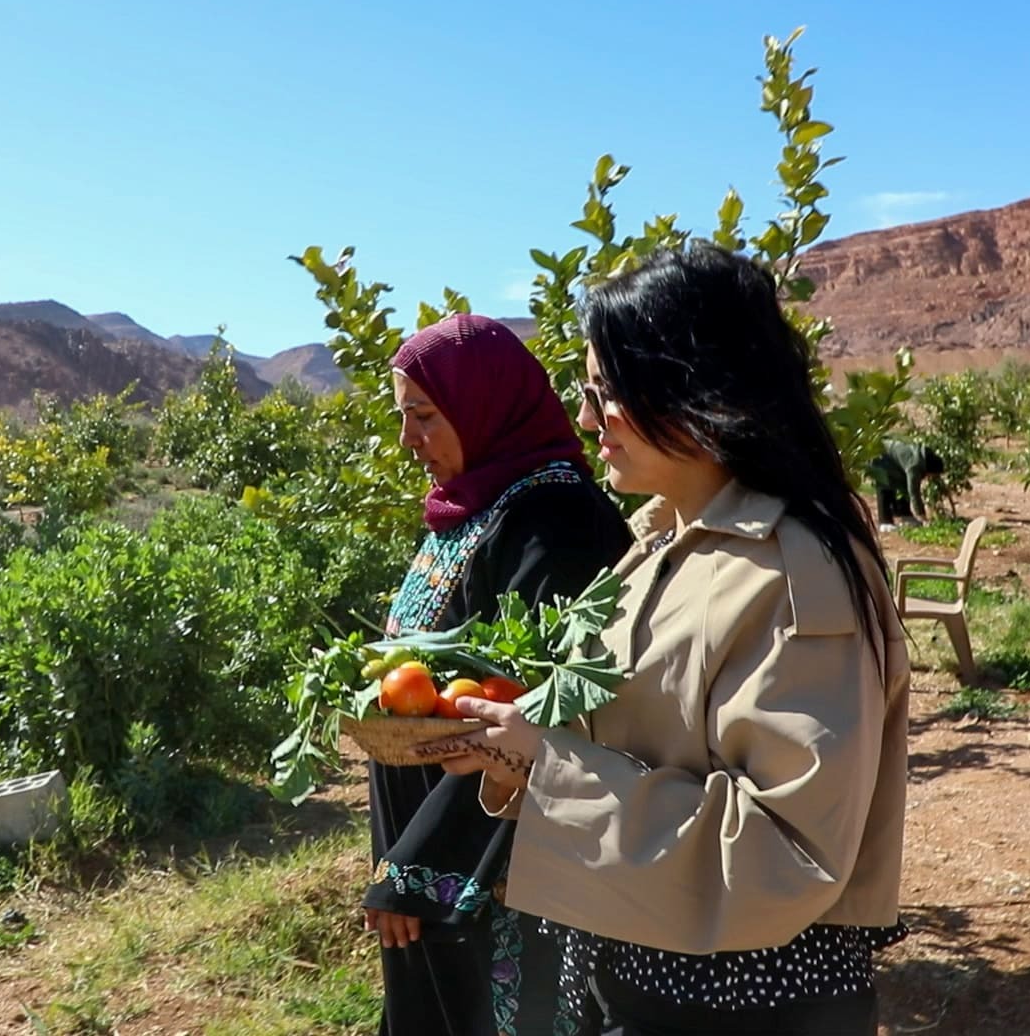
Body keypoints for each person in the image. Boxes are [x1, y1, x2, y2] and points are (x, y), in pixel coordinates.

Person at [423, 245, 911, 1035]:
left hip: (739, 1003)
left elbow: (786, 847)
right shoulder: (660, 543)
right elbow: (643, 741)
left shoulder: (791, 573)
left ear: (693, 387)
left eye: (606, 393)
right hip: (644, 969)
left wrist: (545, 766)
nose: (588, 420)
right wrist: (513, 744)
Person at [365, 313, 631, 1036]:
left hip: (489, 854)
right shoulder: (473, 506)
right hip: (422, 831)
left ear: (483, 404)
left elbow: (534, 714)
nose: (407, 438)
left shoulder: (554, 521)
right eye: (403, 416)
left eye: (424, 415)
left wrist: (416, 868)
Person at [867, 437, 945, 528]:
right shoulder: (914, 466)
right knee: (885, 487)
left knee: (902, 484)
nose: (930, 477)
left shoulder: (922, 457)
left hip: (893, 459)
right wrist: (922, 517)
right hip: (880, 455)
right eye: (932, 475)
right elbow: (914, 493)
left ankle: (904, 514)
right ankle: (885, 522)